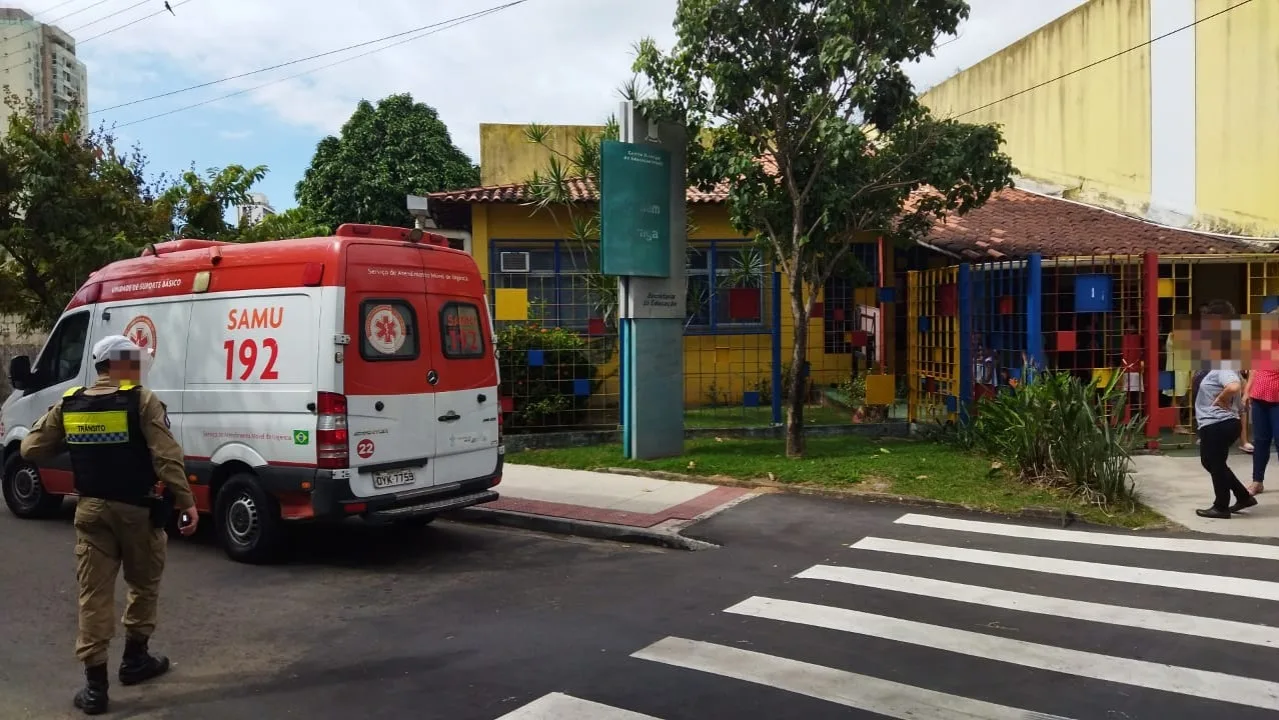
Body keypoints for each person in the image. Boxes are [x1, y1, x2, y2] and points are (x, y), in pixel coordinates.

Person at [19, 335, 198, 715]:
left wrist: (72, 437)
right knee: (143, 584)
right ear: (119, 365)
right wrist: (187, 502)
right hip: (137, 510)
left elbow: (30, 448)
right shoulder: (142, 399)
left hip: (90, 512)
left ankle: (95, 689)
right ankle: (135, 661)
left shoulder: (70, 402)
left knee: (93, 595)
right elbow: (166, 457)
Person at [1193, 300, 1257, 519]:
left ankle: (1221, 506)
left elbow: (1234, 384)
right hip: (1214, 422)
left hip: (1219, 422)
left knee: (1215, 463)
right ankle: (1242, 496)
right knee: (1210, 461)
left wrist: (1222, 397)